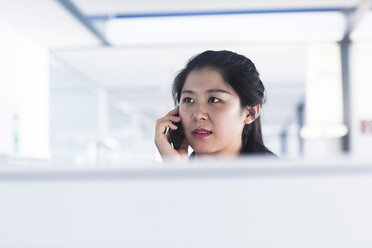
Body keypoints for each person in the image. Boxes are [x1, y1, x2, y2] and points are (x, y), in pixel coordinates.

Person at [155, 50, 275, 160]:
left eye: (214, 100)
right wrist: (176, 171)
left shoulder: (275, 178)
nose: (197, 115)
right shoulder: (177, 173)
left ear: (250, 113)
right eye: (189, 100)